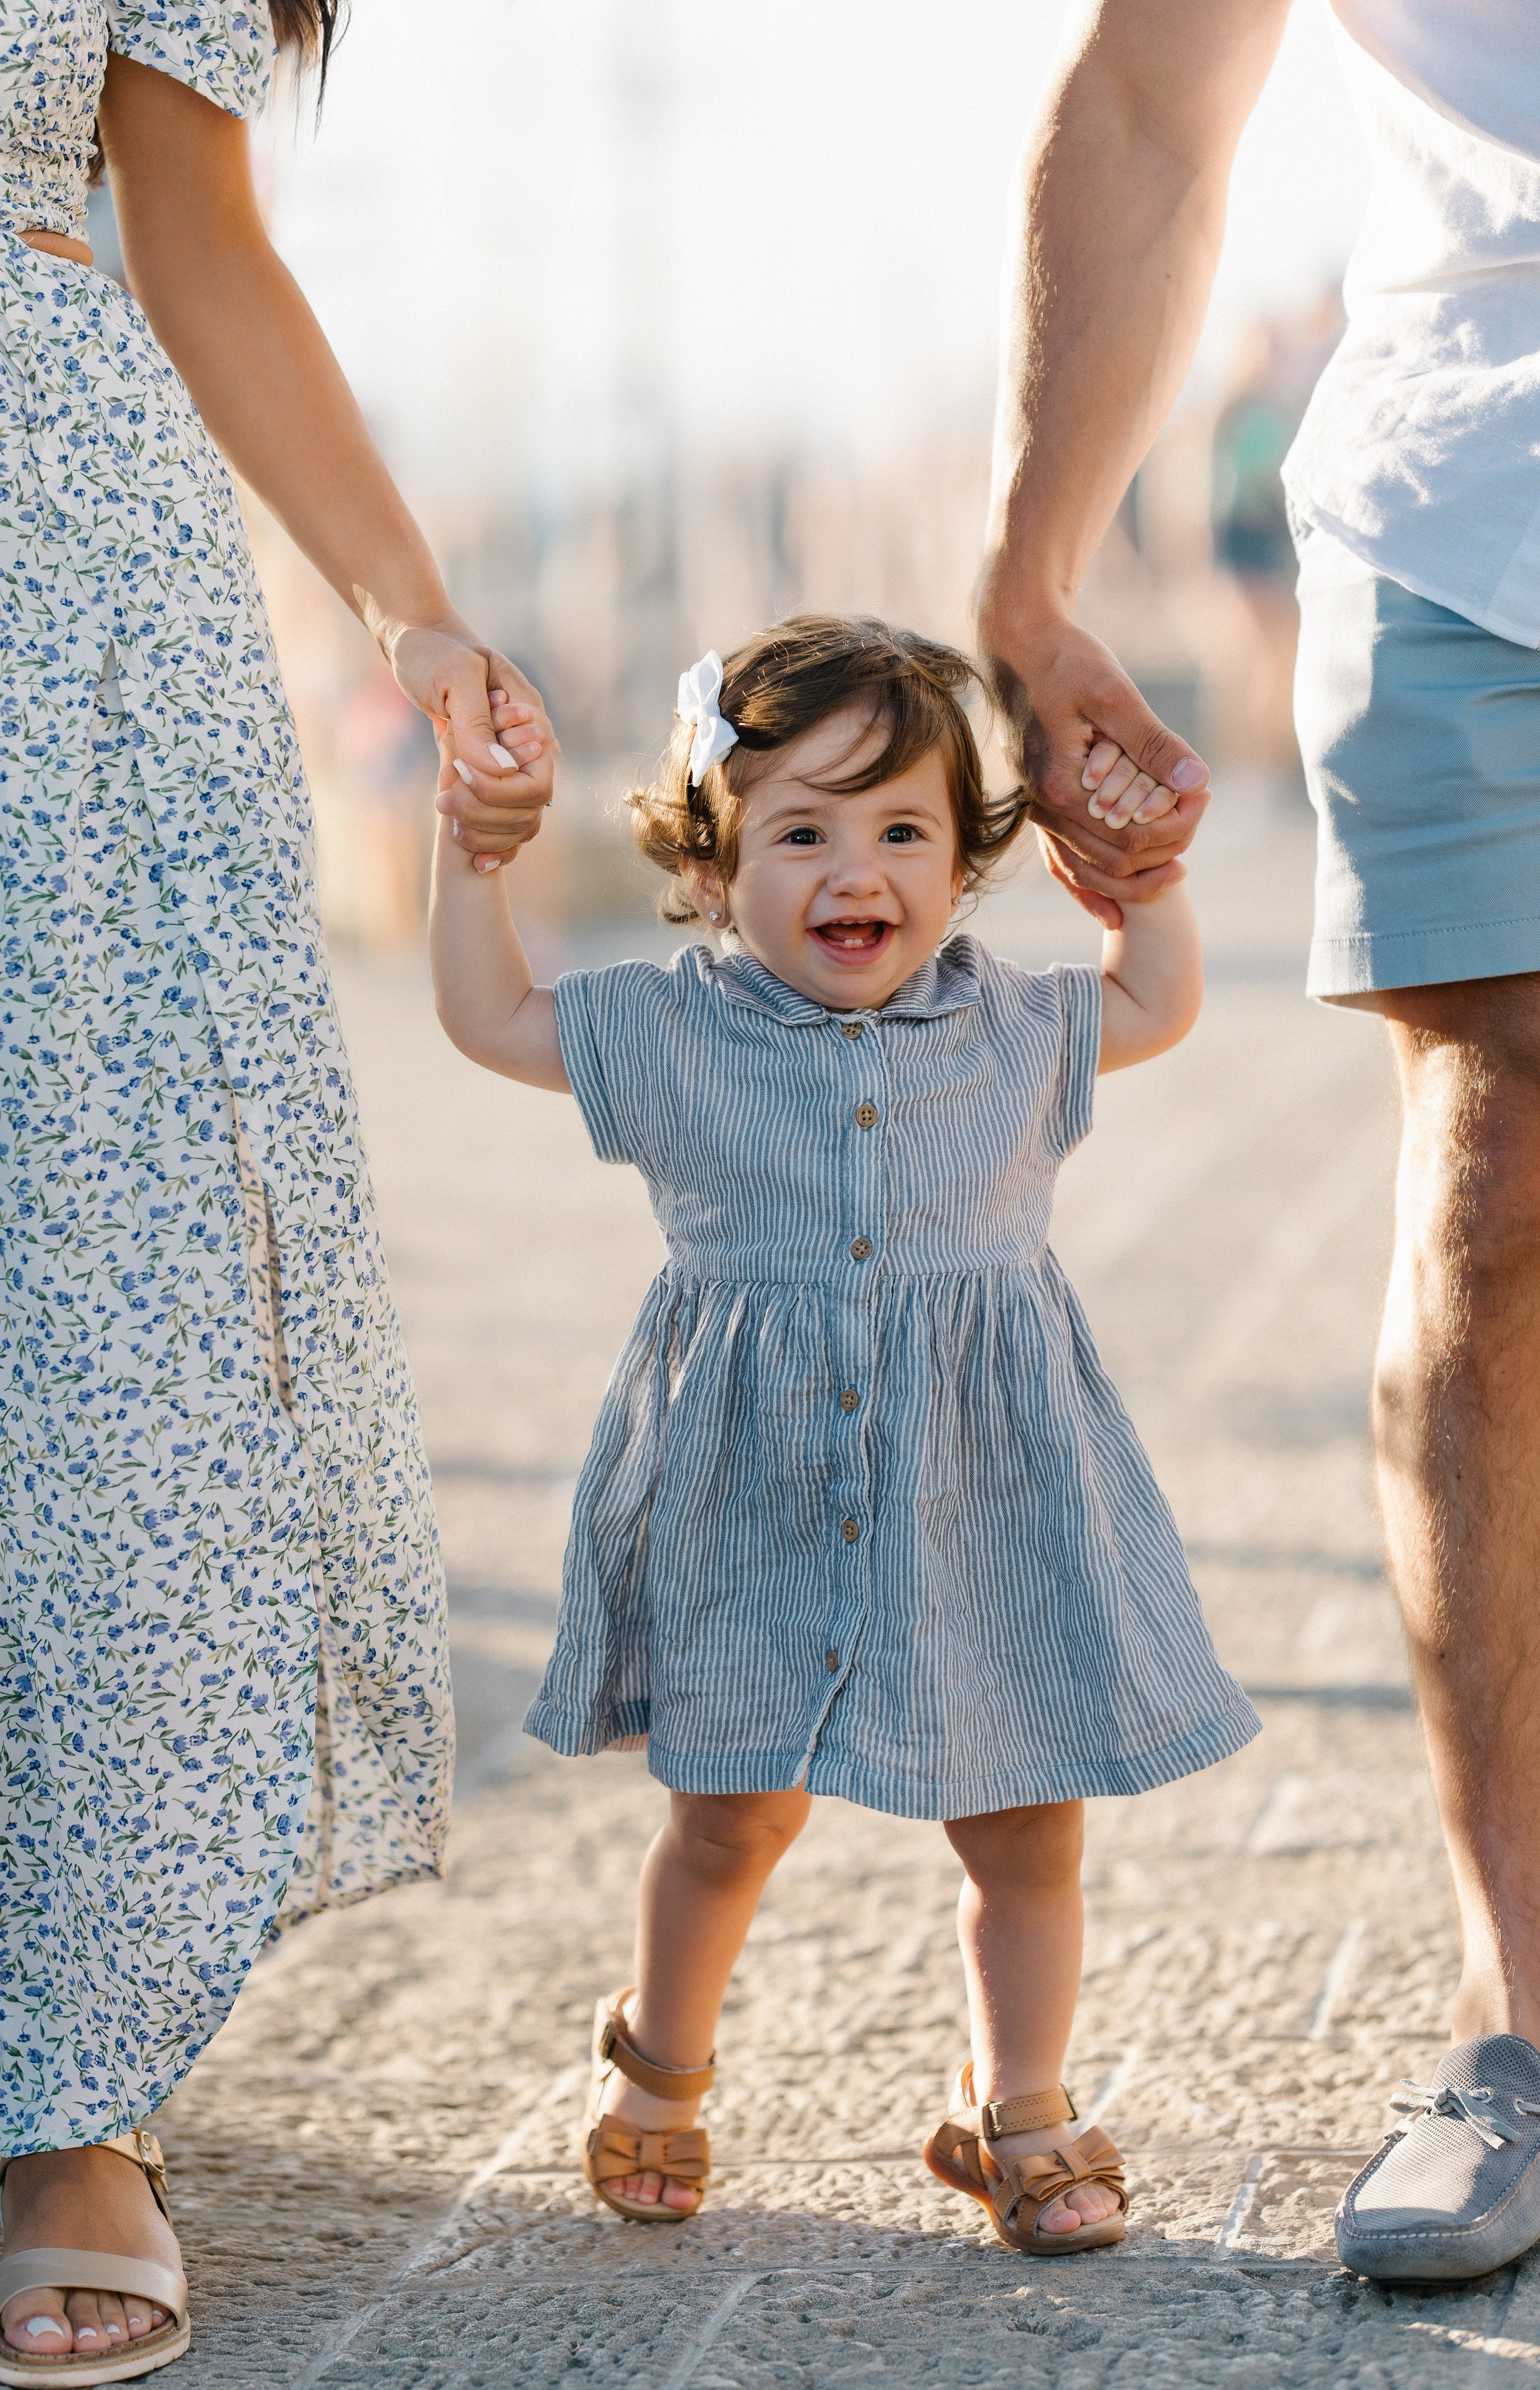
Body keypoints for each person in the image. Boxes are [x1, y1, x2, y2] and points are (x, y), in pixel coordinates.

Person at [0, 2, 554, 2379]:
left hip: (39, 579)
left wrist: (414, 608)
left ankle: (75, 2100)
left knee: (88, 1297)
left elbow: (193, 229)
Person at [428, 614, 1259, 2254]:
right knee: (732, 1813)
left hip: (983, 1495)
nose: (854, 872)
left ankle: (1022, 2103)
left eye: (901, 831)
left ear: (964, 859)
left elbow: (1156, 1003)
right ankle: (659, 2060)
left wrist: (1146, 884)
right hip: (754, 1489)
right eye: (799, 834)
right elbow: (490, 1016)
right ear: (713, 864)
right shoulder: (674, 1032)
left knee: (1027, 1817)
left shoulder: (1011, 1026)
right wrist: (474, 861)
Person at [976, 0, 1540, 2283]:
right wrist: (1029, 572)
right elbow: (1152, 98)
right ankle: (1520, 2019)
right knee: (1498, 1203)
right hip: (1479, 507)